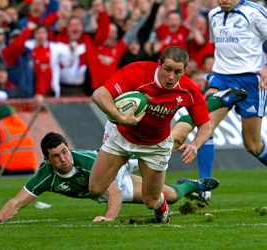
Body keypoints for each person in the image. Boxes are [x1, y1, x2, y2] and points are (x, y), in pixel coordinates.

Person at [89, 46, 212, 223]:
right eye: (167, 69)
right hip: (122, 136)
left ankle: (162, 205)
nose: (171, 76)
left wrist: (195, 144)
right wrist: (119, 117)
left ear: (185, 71)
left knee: (151, 200)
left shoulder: (189, 90)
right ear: (159, 64)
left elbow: (205, 126)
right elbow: (100, 94)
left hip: (155, 144)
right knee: (96, 188)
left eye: (177, 72)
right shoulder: (137, 72)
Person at [0, 132, 219, 224]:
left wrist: (108, 218)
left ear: (69, 147)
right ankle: (191, 185)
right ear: (47, 160)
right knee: (169, 196)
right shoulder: (46, 176)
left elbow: (111, 193)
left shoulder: (85, 163)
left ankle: (186, 136)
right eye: (56, 156)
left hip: (117, 164)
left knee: (163, 153)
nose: (64, 159)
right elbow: (17, 201)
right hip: (119, 180)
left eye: (65, 151)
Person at [204, 0, 267, 169]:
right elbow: (218, 45)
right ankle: (204, 189)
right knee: (204, 126)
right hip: (221, 78)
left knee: (253, 145)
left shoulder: (255, 12)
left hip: (251, 81)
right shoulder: (213, 14)